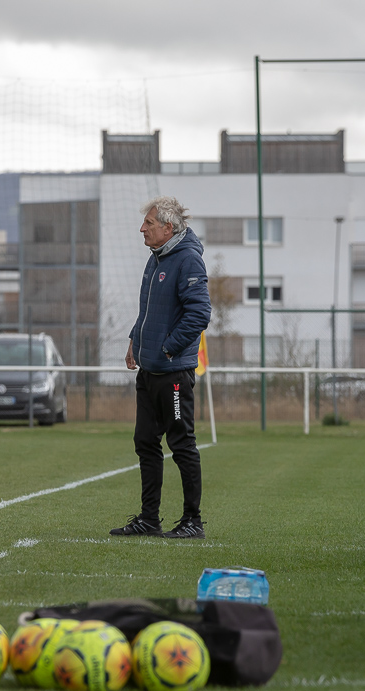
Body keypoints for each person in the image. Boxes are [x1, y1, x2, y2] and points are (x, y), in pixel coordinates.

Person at [111, 196, 210, 539]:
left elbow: (199, 314)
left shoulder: (188, 260)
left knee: (181, 445)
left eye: (149, 224)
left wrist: (168, 348)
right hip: (148, 371)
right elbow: (148, 311)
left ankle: (192, 521)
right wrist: (135, 340)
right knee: (145, 441)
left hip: (173, 373)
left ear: (168, 228)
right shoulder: (156, 259)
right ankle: (149, 520)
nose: (142, 229)